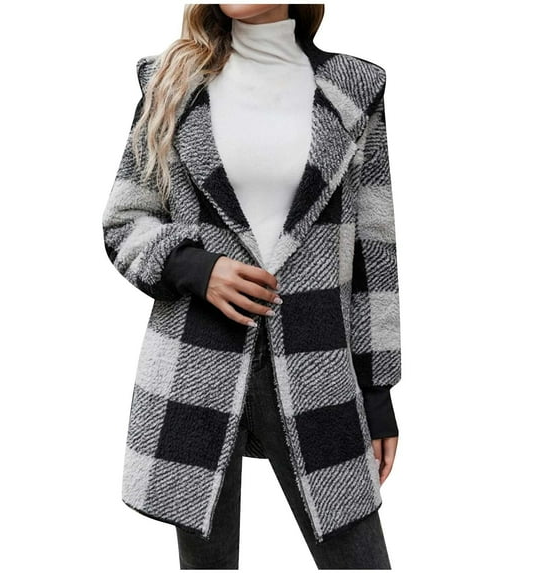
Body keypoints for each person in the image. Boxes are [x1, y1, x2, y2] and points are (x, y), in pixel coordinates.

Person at [102, 3, 401, 570]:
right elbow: (125, 221)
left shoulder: (354, 89)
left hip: (318, 364)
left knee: (359, 558)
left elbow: (374, 252)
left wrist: (377, 391)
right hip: (195, 363)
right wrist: (196, 267)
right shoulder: (172, 81)